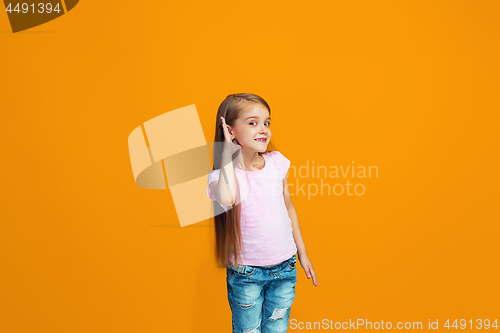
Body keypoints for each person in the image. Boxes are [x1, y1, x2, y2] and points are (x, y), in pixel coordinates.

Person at [206, 93, 318, 333]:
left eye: (266, 122)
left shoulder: (277, 163)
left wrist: (303, 254)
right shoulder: (223, 176)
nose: (264, 129)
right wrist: (226, 152)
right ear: (230, 130)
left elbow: (289, 208)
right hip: (247, 275)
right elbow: (226, 197)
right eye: (252, 122)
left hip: (285, 269)